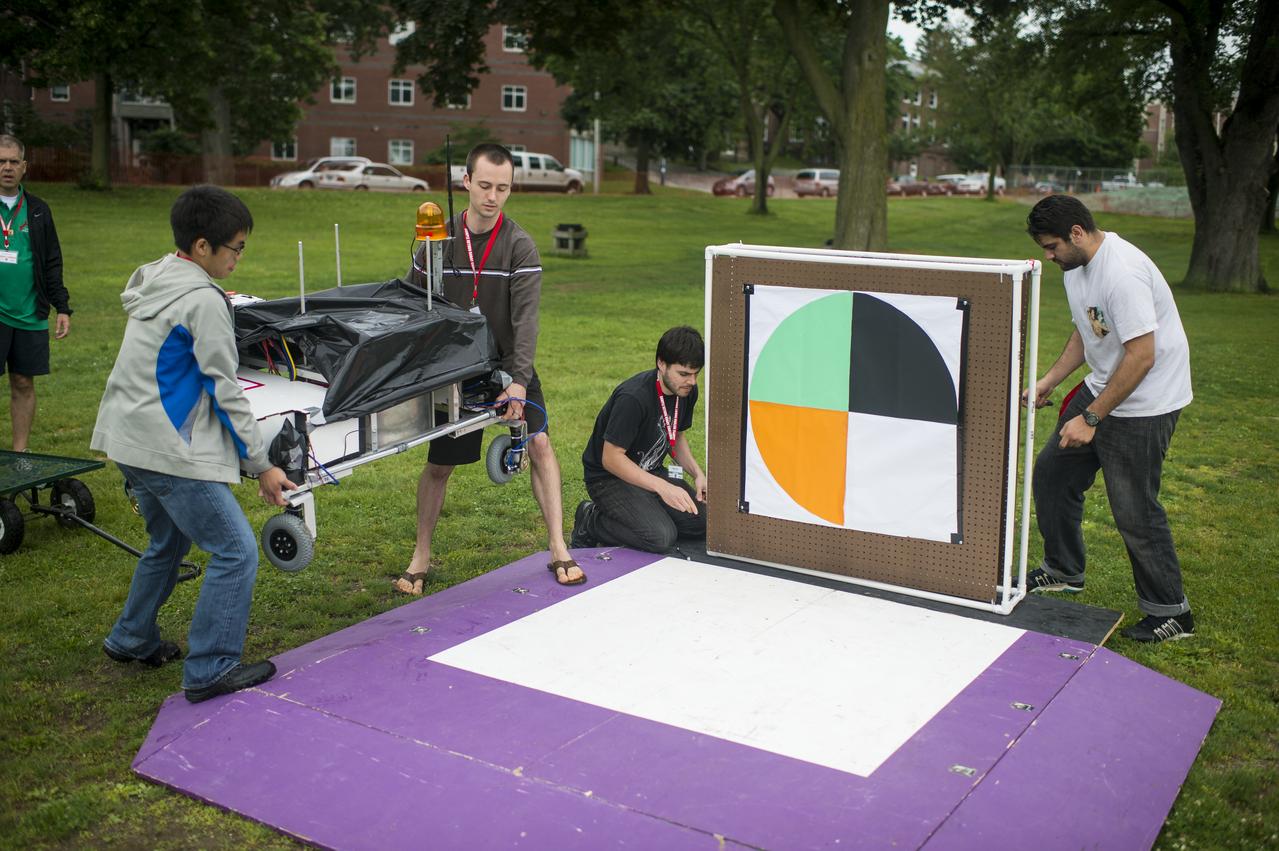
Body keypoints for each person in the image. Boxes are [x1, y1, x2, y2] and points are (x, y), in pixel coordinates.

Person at [93, 185, 296, 702]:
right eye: (236, 247)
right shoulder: (204, 300)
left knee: (168, 542)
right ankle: (211, 668)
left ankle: (131, 636)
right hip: (163, 450)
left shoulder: (160, 275)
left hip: (125, 438)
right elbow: (223, 387)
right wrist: (261, 463)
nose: (239, 257)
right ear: (203, 247)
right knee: (236, 551)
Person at [400, 142, 583, 593]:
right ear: (465, 182)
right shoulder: (438, 240)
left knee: (540, 446)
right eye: (484, 185)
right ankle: (420, 555)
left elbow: (526, 321)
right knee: (440, 465)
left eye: (502, 188)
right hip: (455, 370)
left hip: (506, 365)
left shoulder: (519, 245)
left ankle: (559, 546)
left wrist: (519, 383)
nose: (492, 196)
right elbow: (409, 300)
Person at [1024, 195, 1194, 643]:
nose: (1048, 255)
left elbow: (1142, 356)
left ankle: (1171, 613)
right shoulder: (1077, 267)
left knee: (1134, 507)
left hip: (1147, 400)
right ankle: (1064, 569)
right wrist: (1049, 381)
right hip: (1105, 385)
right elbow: (1089, 329)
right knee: (1052, 474)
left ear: (1077, 233)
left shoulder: (1123, 274)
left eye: (1052, 246)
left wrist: (1091, 418)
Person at [571, 326, 707, 553]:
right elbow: (611, 459)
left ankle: (646, 510)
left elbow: (675, 436)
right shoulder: (633, 398)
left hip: (650, 471)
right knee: (660, 537)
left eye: (696, 374)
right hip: (608, 478)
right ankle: (591, 521)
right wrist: (662, 487)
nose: (691, 381)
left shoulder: (687, 391)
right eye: (684, 374)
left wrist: (698, 474)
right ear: (661, 363)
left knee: (700, 523)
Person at [0, 134, 72, 452]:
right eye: (1, 161)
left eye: (13, 161)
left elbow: (52, 262)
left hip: (29, 314)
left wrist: (63, 307)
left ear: (24, 166)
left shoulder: (39, 210)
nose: (7, 167)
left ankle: (20, 454)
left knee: (23, 382)